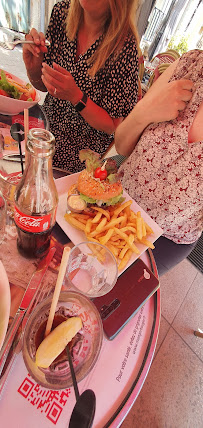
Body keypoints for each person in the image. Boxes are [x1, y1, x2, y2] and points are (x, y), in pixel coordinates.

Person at [23, 0, 141, 173]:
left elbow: (114, 126)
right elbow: (43, 86)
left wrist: (76, 96)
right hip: (41, 134)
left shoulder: (124, 45)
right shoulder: (62, 12)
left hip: (78, 159)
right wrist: (32, 66)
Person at [115, 49, 203, 276]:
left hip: (165, 241)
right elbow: (122, 145)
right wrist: (144, 111)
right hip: (114, 201)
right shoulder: (190, 65)